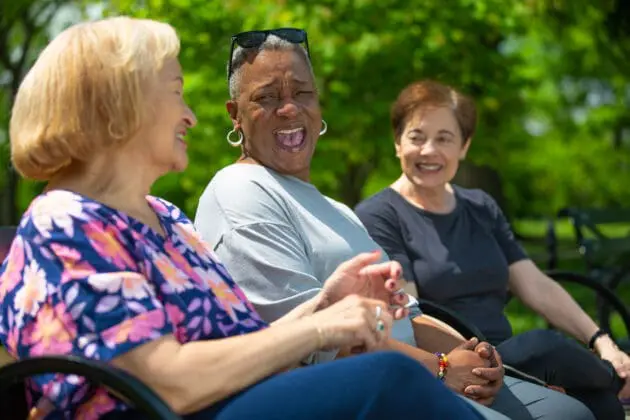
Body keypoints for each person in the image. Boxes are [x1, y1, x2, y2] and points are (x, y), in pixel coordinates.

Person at [0, 17, 490, 420]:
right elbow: (161, 380)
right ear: (117, 108)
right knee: (389, 378)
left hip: (237, 399)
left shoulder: (166, 218)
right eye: (174, 93)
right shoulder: (67, 223)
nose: (190, 115)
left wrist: (326, 303)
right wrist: (321, 329)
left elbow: (248, 342)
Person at [194, 27, 594, 420]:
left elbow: (411, 313)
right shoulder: (240, 191)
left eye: (302, 93)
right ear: (235, 115)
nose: (289, 108)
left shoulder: (338, 209)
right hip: (369, 390)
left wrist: (476, 355)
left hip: (425, 371)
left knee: (575, 411)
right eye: (267, 97)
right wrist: (440, 368)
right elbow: (317, 340)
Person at [354, 79, 630, 419]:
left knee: (603, 407)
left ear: (464, 146)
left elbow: (536, 285)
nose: (429, 150)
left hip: (512, 358)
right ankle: (620, 381)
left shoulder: (480, 206)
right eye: (416, 137)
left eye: (444, 138)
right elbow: (411, 315)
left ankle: (613, 380)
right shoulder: (379, 215)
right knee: (545, 346)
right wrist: (469, 358)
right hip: (459, 362)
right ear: (397, 143)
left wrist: (603, 342)